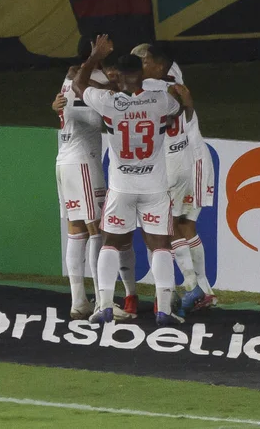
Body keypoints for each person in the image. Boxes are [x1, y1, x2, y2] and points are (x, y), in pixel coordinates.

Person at [73, 35, 192, 326]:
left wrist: (93, 57)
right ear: (140, 74)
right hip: (154, 186)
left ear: (117, 76)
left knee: (111, 243)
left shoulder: (108, 101)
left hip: (122, 186)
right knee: (160, 245)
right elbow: (179, 109)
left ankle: (103, 306)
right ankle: (163, 309)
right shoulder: (159, 100)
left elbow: (78, 85)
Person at [52, 36, 133, 321]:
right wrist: (112, 88)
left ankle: (78, 302)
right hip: (84, 162)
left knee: (77, 231)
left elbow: (74, 92)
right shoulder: (89, 75)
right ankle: (102, 302)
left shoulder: (70, 75)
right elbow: (98, 115)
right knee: (97, 229)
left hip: (65, 159)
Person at [136, 44, 217, 310]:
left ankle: (190, 287)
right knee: (185, 226)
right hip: (192, 158)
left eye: (146, 61)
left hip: (169, 164)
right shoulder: (177, 81)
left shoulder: (146, 87)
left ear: (159, 66)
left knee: (165, 229)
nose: (142, 64)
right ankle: (206, 290)